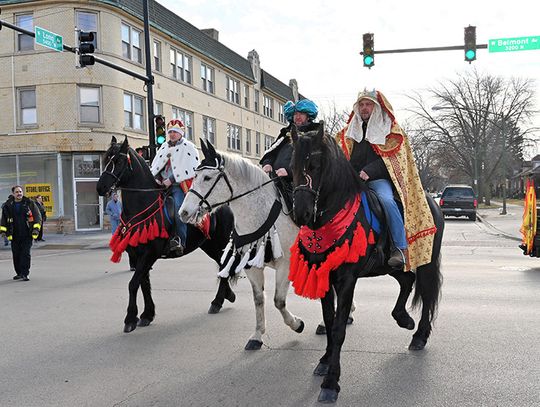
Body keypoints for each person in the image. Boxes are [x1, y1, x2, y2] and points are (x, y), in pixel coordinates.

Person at [336, 89, 436, 270]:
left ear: (376, 107)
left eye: (368, 105)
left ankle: (399, 248)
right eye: (361, 105)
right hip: (352, 180)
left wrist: (369, 171)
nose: (364, 108)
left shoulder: (390, 131)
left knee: (387, 201)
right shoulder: (349, 131)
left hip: (377, 180)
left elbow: (393, 160)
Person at [150, 119, 199, 254]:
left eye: (175, 132)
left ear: (181, 133)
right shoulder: (164, 147)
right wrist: (158, 179)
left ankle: (180, 240)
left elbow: (191, 168)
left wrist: (171, 180)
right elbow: (156, 166)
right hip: (161, 186)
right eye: (170, 132)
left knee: (179, 209)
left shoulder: (189, 147)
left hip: (178, 186)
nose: (172, 134)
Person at [260, 99, 319, 210]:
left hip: (298, 186)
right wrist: (267, 163)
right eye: (295, 114)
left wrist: (289, 172)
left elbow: (312, 164)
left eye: (301, 113)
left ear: (308, 116)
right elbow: (272, 151)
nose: (297, 116)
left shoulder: (313, 135)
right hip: (274, 180)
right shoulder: (285, 134)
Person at [0, 186, 42, 281]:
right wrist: (3, 231)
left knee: (25, 254)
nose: (19, 193)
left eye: (20, 191)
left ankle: (25, 273)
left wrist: (35, 230)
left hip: (27, 234)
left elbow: (37, 217)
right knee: (16, 254)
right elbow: (3, 219)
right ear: (13, 194)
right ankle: (19, 273)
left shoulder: (29, 203)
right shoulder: (8, 205)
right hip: (14, 234)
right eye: (17, 192)